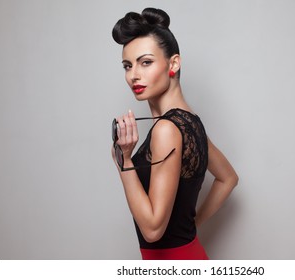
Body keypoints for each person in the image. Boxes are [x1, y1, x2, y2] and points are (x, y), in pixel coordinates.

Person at [111, 7, 238, 260]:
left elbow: (153, 229)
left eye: (145, 62)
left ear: (173, 63)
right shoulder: (191, 124)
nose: (134, 75)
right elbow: (228, 179)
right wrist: (190, 230)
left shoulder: (167, 129)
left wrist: (124, 161)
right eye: (128, 65)